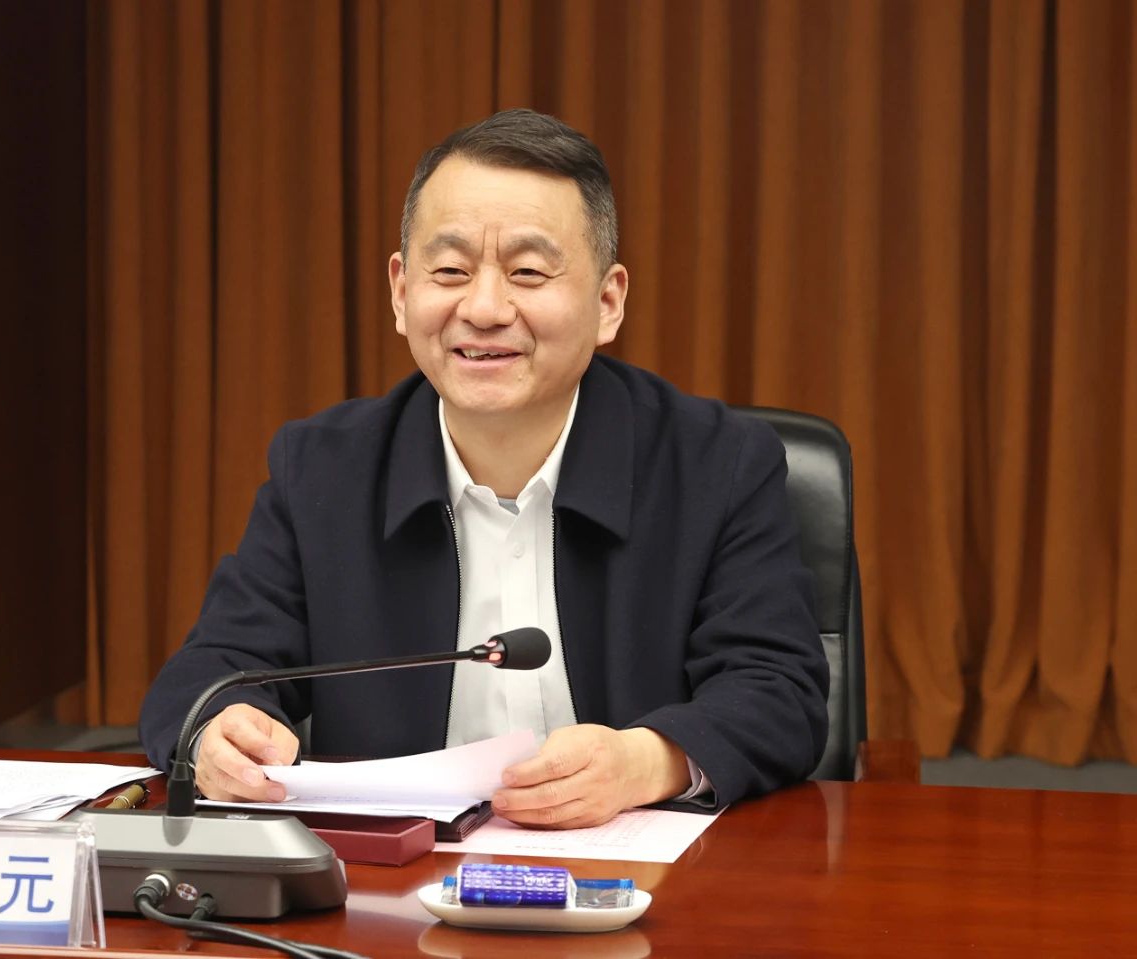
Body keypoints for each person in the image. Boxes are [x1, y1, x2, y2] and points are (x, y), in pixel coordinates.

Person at [140, 109, 828, 828]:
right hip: (396, 878)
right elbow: (207, 675)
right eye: (450, 271)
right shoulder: (323, 470)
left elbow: (779, 691)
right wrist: (218, 731)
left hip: (639, 873)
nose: (486, 308)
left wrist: (644, 760)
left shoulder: (715, 463)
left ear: (607, 302)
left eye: (528, 272)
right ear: (401, 292)